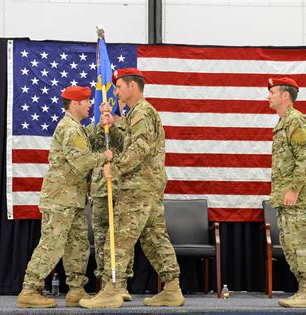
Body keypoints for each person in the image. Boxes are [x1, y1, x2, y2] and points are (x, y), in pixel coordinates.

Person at [79, 68, 184, 308]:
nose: (115, 91)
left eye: (119, 86)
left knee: (118, 237)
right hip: (147, 185)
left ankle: (112, 290)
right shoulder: (135, 113)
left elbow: (139, 149)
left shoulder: (143, 113)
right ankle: (172, 288)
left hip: (138, 186)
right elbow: (128, 143)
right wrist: (112, 127)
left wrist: (114, 169)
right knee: (154, 238)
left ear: (132, 86)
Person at [17, 86, 112, 308]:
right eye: (86, 101)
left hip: (74, 199)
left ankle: (76, 290)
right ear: (75, 104)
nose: (90, 104)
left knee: (77, 245)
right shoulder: (70, 129)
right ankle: (29, 290)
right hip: (61, 199)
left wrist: (102, 123)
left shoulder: (76, 127)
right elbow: (81, 162)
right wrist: (103, 157)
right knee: (52, 244)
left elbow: (86, 139)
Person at [267, 77, 306, 308]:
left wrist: (294, 189)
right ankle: (302, 291)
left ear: (285, 95)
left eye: (272, 92)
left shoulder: (296, 121)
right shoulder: (282, 123)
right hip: (285, 198)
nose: (268, 96)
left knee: (301, 244)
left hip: (297, 198)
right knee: (289, 244)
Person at [86, 101, 134, 301]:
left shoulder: (130, 127)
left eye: (114, 108)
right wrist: (101, 125)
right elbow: (89, 147)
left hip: (123, 190)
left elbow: (126, 146)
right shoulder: (94, 128)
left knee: (124, 240)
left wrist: (113, 127)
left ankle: (121, 284)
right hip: (100, 190)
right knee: (101, 238)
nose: (111, 112)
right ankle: (105, 283)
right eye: (106, 109)